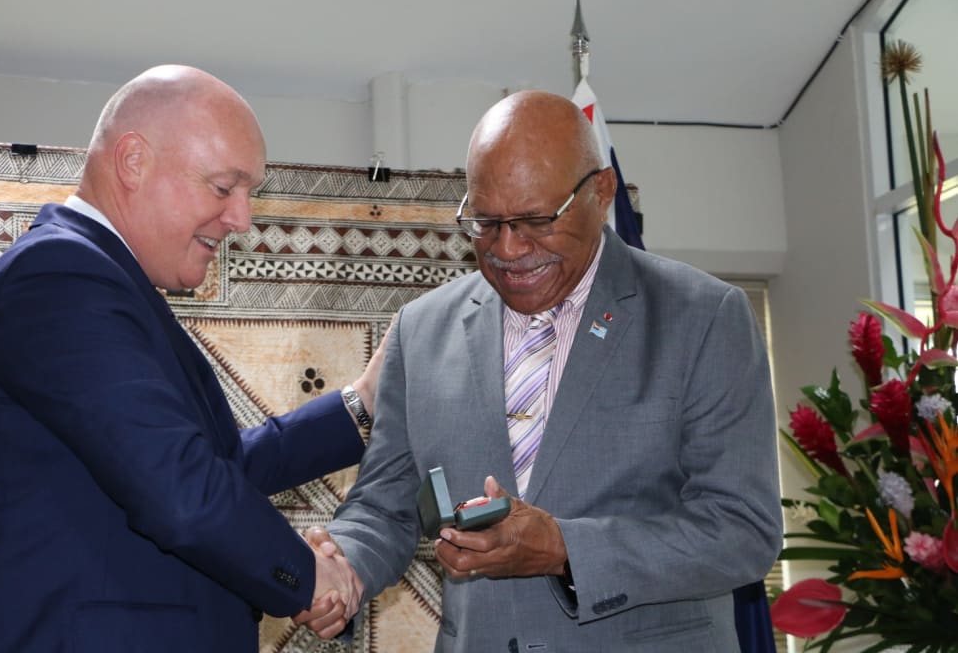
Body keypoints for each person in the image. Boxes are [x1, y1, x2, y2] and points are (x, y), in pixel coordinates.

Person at [296, 90, 783, 651]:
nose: (508, 248)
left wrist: (564, 547)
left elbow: (743, 531)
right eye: (486, 222)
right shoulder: (421, 329)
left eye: (534, 220)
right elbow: (384, 506)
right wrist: (344, 571)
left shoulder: (701, 316)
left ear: (601, 193)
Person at [0, 65, 378, 652]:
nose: (241, 219)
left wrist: (361, 406)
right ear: (134, 161)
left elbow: (206, 472)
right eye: (224, 188)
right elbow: (181, 489)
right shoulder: (59, 278)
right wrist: (307, 574)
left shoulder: (106, 286)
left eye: (249, 195)